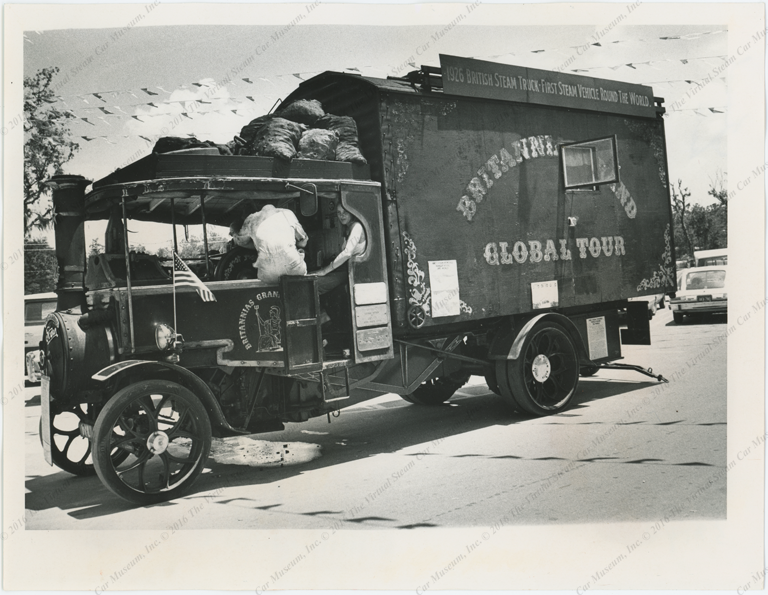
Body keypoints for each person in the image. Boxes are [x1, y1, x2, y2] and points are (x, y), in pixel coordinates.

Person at [229, 204, 308, 285]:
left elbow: (240, 242)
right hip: (295, 270)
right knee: (300, 252)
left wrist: (258, 246)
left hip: (267, 276)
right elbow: (303, 243)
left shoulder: (251, 219)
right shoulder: (288, 213)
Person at [314, 204, 367, 293]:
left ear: (352, 212)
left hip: (352, 271)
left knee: (316, 284)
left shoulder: (357, 226)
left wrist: (324, 271)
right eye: (339, 212)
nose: (341, 215)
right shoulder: (348, 228)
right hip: (345, 269)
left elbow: (347, 253)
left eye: (345, 212)